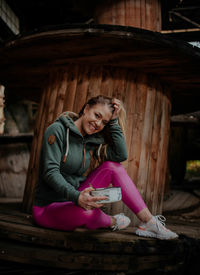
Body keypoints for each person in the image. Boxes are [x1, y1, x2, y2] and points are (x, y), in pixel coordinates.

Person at [33, 95, 178, 240]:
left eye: (104, 122)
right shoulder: (57, 130)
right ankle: (112, 221)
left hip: (76, 199)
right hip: (48, 208)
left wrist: (114, 121)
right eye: (97, 115)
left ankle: (148, 221)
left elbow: (120, 155)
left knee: (113, 167)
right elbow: (50, 172)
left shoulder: (90, 142)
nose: (97, 123)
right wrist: (77, 197)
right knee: (88, 212)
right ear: (86, 108)